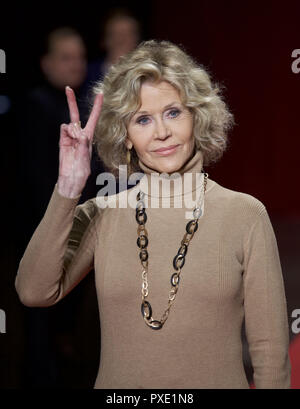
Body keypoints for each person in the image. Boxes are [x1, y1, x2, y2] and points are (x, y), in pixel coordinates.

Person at [15, 40, 291, 389]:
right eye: (142, 119)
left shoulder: (245, 214)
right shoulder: (103, 214)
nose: (161, 132)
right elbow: (34, 291)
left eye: (173, 112)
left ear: (197, 114)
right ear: (126, 136)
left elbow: (270, 354)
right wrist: (67, 190)